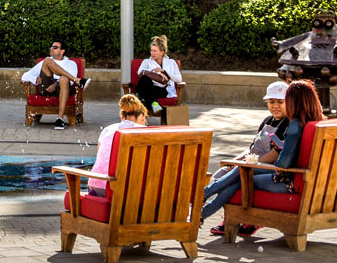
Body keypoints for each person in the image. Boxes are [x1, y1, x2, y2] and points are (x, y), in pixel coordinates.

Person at [199, 80, 326, 228]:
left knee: (242, 175)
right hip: (307, 178)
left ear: (295, 102)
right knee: (243, 171)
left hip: (288, 180)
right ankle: (202, 209)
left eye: (286, 100)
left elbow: (283, 164)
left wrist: (277, 158)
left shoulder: (294, 125)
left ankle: (203, 200)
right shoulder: (317, 121)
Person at [204, 81, 292, 236]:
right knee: (222, 172)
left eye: (280, 102)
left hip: (264, 166)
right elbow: (252, 148)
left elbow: (274, 154)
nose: (275, 106)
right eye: (271, 102)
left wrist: (249, 164)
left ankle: (226, 215)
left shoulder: (288, 124)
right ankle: (228, 216)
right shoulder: (267, 121)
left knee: (237, 178)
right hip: (250, 162)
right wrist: (236, 161)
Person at [86, 94, 148, 197]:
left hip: (95, 185)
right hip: (118, 189)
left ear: (121, 116)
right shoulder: (143, 132)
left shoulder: (107, 129)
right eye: (145, 119)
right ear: (142, 116)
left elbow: (100, 159)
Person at [21, 39, 86, 130]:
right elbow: (24, 76)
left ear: (62, 51)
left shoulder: (71, 63)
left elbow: (70, 83)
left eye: (55, 47)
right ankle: (78, 80)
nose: (51, 48)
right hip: (45, 88)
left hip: (62, 89)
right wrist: (34, 79)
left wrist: (55, 85)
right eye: (51, 46)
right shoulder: (45, 61)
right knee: (47, 61)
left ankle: (59, 119)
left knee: (64, 79)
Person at [134, 35, 183, 116]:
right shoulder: (147, 62)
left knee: (143, 92)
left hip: (162, 90)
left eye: (155, 51)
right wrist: (156, 72)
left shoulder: (171, 62)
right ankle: (154, 103)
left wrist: (164, 72)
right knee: (145, 79)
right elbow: (140, 73)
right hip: (150, 86)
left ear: (162, 52)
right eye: (151, 50)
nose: (152, 53)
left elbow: (179, 79)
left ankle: (138, 101)